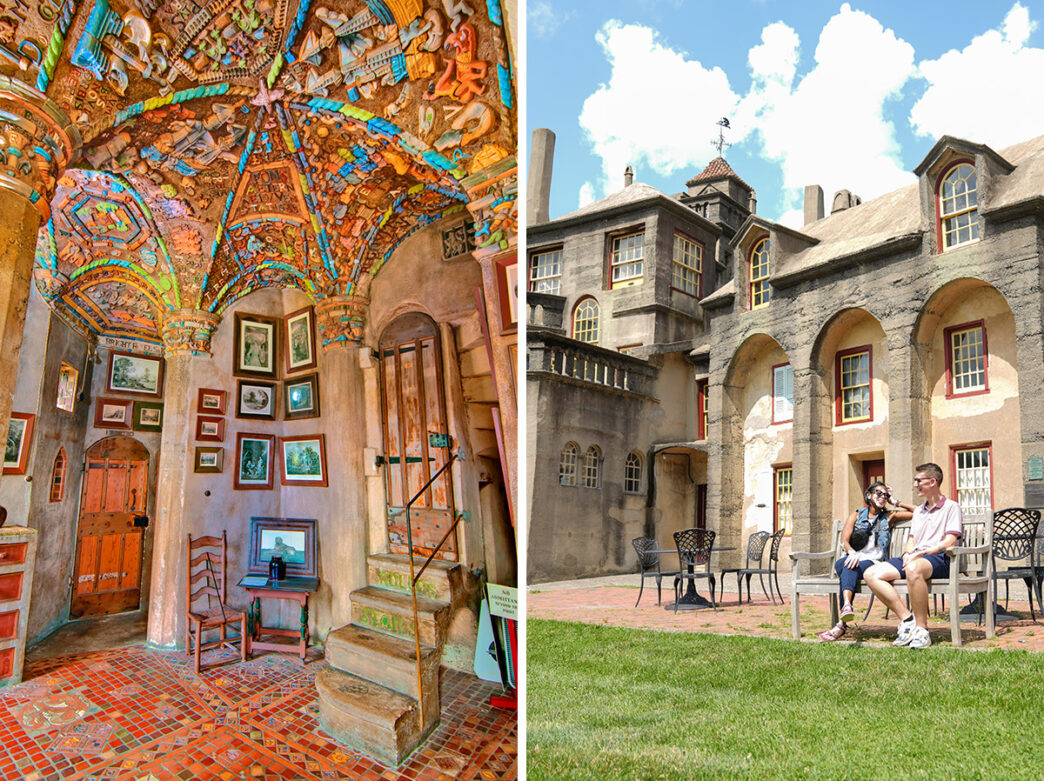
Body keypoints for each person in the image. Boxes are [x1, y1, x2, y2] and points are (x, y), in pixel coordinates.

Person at [863, 462, 964, 649]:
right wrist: (909, 552)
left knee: (913, 568)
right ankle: (907, 619)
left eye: (918, 480)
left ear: (932, 481)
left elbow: (950, 541)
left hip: (940, 558)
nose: (915, 484)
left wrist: (924, 552)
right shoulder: (919, 511)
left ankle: (922, 630)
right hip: (915, 558)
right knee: (871, 573)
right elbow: (912, 539)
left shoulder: (951, 507)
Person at [817, 481, 913, 641]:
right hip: (853, 557)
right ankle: (846, 608)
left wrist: (895, 501)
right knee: (845, 564)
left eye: (886, 495)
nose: (883, 497)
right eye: (879, 493)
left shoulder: (889, 516)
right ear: (869, 495)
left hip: (873, 564)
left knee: (848, 567)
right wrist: (852, 552)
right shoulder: (856, 515)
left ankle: (842, 621)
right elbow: (844, 540)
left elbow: (918, 512)